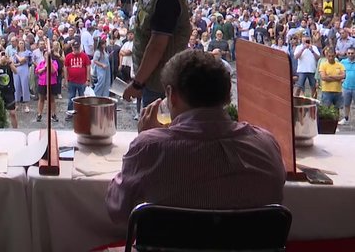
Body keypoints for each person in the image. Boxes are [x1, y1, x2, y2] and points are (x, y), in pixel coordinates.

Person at [106, 49, 285, 224]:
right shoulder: (266, 145)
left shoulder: (149, 148)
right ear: (226, 96)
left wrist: (146, 142)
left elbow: (117, 211)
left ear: (172, 95)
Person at [64, 41, 90, 117]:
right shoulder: (68, 56)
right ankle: (70, 113)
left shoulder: (84, 56)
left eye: (77, 48)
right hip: (71, 81)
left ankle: (83, 113)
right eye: (75, 48)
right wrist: (66, 80)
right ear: (72, 48)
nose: (76, 50)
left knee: (82, 98)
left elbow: (88, 67)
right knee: (71, 98)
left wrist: (88, 79)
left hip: (82, 81)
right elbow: (65, 68)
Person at [0, 52, 18, 128]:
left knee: (12, 113)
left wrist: (9, 62)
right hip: (0, 92)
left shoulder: (9, 64)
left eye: (5, 56)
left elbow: (15, 71)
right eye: (2, 56)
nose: (3, 57)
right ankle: (1, 128)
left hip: (9, 92)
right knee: (0, 113)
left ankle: (16, 130)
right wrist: (0, 63)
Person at [35, 50, 60, 123]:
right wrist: (44, 68)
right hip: (42, 83)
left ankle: (54, 114)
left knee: (52, 99)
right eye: (45, 55)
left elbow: (53, 71)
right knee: (41, 99)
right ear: (43, 56)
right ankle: (39, 114)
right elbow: (37, 71)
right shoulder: (41, 63)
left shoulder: (54, 62)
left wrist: (50, 63)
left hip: (51, 83)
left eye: (48, 55)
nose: (47, 56)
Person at [319, 47, 346, 111]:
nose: (331, 58)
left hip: (338, 91)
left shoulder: (340, 65)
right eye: (329, 56)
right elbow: (323, 77)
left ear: (335, 55)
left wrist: (330, 76)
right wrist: (337, 78)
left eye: (332, 56)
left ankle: (336, 121)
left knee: (337, 109)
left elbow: (344, 76)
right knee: (326, 109)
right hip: (326, 91)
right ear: (327, 56)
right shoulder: (323, 65)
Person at [340, 47, 355, 125]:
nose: (350, 55)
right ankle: (346, 118)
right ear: (346, 53)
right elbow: (339, 71)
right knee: (346, 104)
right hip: (346, 87)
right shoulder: (343, 62)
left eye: (352, 53)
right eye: (349, 53)